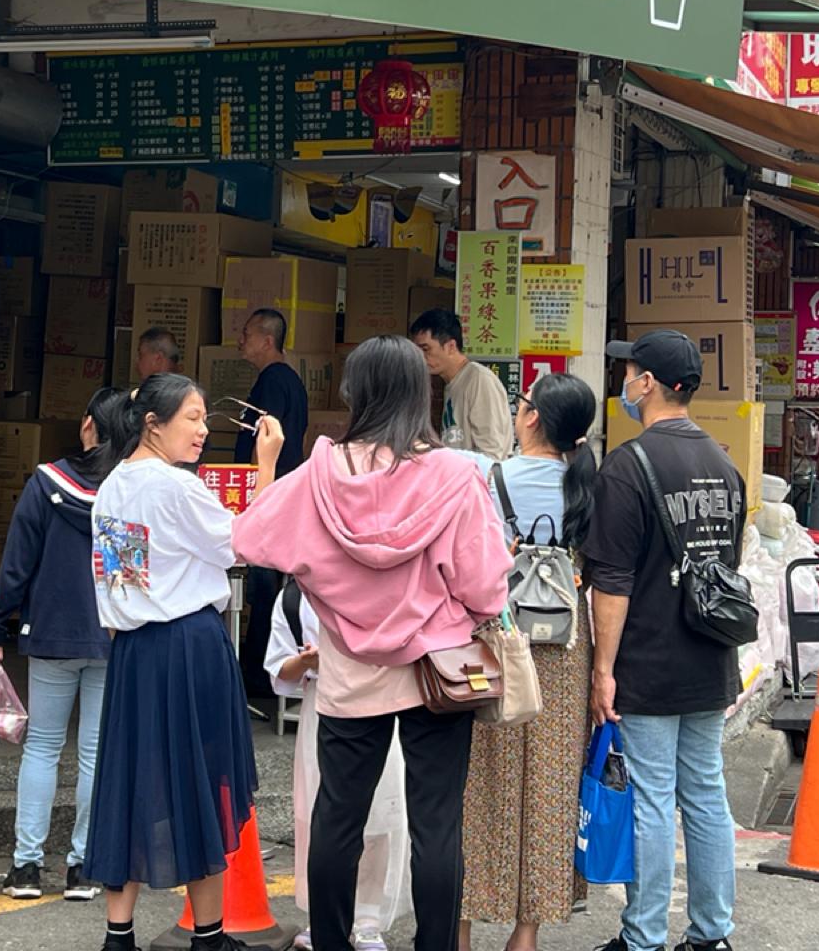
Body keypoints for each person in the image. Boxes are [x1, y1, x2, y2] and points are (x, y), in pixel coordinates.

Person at [233, 335, 513, 951]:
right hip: (439, 671)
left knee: (338, 818)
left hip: (349, 671)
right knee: (437, 825)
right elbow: (487, 588)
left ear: (352, 394)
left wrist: (319, 575)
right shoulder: (455, 475)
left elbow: (250, 540)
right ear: (421, 393)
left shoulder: (319, 474)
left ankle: (332, 942)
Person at [84, 373, 283, 951]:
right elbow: (247, 542)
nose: (202, 431)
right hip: (189, 644)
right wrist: (266, 465)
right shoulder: (176, 487)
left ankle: (118, 935)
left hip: (135, 652)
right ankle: (209, 936)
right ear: (153, 423)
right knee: (203, 782)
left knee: (129, 780)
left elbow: (121, 577)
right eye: (192, 418)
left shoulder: (114, 486)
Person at [584, 331, 744, 951]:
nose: (623, 382)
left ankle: (644, 937)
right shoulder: (724, 465)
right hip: (710, 655)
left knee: (652, 798)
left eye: (628, 372)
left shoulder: (629, 465)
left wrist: (603, 669)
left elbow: (613, 582)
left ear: (647, 383)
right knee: (705, 792)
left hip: (649, 659)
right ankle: (711, 935)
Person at [458, 372, 598, 951]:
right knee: (551, 782)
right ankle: (527, 932)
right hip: (567, 646)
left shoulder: (487, 479)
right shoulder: (587, 486)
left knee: (478, 781)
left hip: (496, 638)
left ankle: (462, 923)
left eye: (522, 404)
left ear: (533, 417)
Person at [0, 386, 128, 903]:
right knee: (94, 752)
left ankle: (26, 867)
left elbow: (16, 563)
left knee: (42, 747)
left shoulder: (45, 483)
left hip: (50, 633)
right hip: (113, 635)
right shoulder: (131, 488)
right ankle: (83, 868)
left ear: (88, 425)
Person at [266, 581, 410, 951]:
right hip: (322, 704)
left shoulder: (385, 583)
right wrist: (307, 662)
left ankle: (368, 918)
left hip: (382, 700)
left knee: (381, 815)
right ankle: (324, 916)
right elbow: (280, 670)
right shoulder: (294, 597)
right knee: (320, 817)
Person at [234, 307, 310, 700]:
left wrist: (254, 492)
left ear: (267, 340)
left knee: (262, 588)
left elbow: (264, 442)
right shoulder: (290, 381)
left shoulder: (273, 381)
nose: (240, 341)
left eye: (247, 333)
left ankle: (258, 674)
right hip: (284, 495)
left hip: (269, 495)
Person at [410, 309, 513, 459]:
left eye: (426, 349)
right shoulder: (452, 383)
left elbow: (491, 453)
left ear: (451, 346)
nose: (420, 357)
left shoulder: (479, 380)